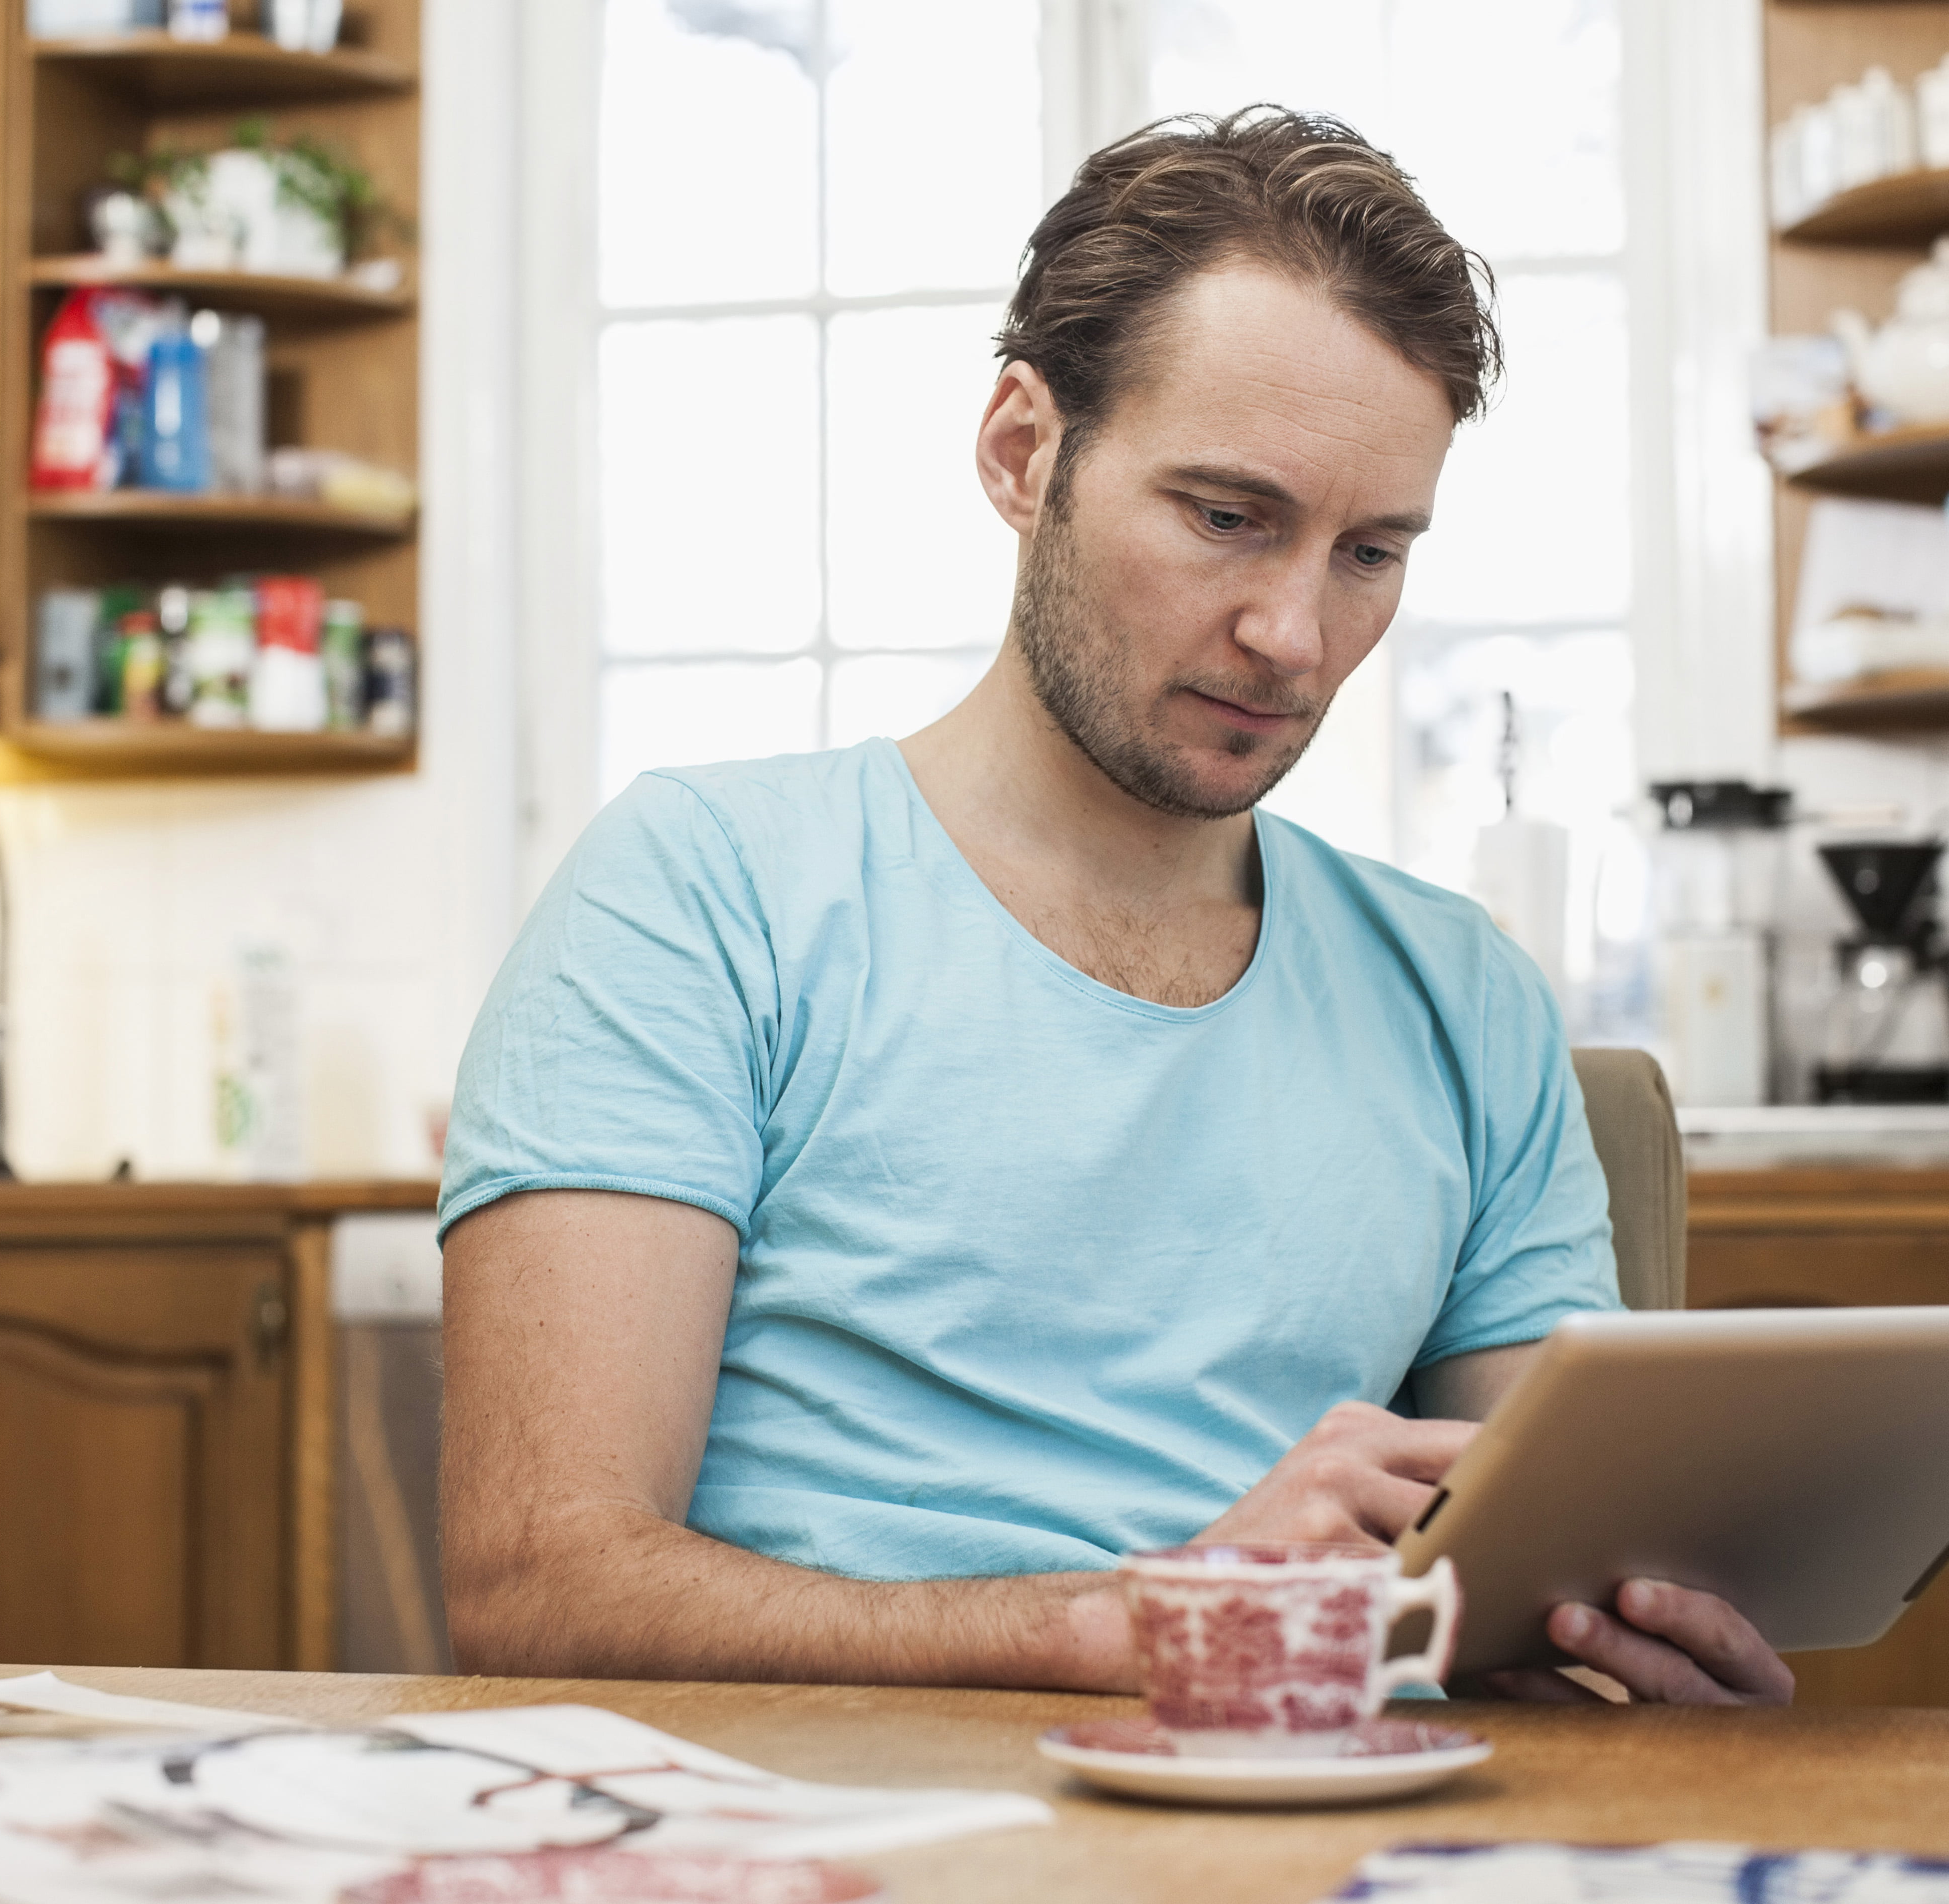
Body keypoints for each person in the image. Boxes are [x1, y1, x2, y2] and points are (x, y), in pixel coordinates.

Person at [435, 107, 1793, 1709]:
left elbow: (1536, 1591)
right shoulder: (700, 891)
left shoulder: (1462, 992)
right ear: (1024, 452)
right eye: (1226, 517)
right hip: (828, 1824)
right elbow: (540, 1580)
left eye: (1368, 551)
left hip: (1323, 1832)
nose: (1293, 633)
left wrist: (1639, 1650)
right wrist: (1116, 1625)